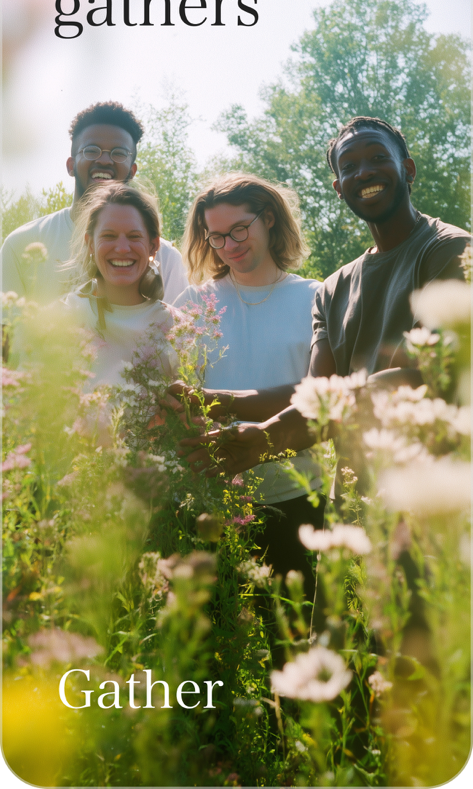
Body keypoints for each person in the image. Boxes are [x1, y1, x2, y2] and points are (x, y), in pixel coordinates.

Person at [179, 116, 471, 476]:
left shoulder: (450, 251)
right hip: (356, 505)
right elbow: (317, 397)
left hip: (437, 497)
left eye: (378, 158)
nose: (363, 172)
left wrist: (269, 432)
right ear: (338, 187)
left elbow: (422, 376)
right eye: (349, 166)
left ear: (407, 169)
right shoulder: (334, 289)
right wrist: (246, 429)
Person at [174, 173, 323, 589]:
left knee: (289, 639)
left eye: (240, 229)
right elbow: (177, 396)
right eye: (216, 236)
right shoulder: (193, 303)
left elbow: (322, 396)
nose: (230, 245)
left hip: (296, 498)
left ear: (270, 218)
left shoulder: (316, 297)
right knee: (209, 641)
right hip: (211, 498)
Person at [1, 101, 188, 306]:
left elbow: (177, 334)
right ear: (71, 166)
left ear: (132, 171)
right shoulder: (21, 244)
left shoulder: (166, 258)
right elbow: (8, 335)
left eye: (118, 153)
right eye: (91, 150)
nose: (105, 160)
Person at [61, 181, 179, 389]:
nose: (123, 248)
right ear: (90, 243)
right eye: (109, 236)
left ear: (153, 246)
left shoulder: (176, 329)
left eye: (134, 237)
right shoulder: (63, 319)